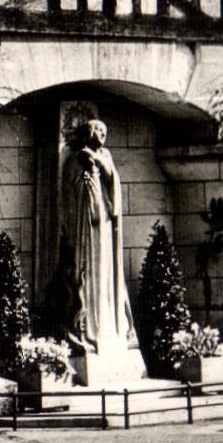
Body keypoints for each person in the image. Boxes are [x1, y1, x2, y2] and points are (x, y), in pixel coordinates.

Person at [62, 119, 134, 355]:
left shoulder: (106, 155)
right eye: (98, 130)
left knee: (106, 272)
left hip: (105, 222)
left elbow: (115, 186)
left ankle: (111, 326)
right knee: (88, 274)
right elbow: (68, 194)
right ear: (87, 132)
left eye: (105, 130)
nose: (102, 134)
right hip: (85, 228)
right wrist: (86, 175)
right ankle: (89, 327)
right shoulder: (74, 159)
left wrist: (104, 167)